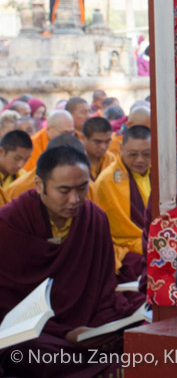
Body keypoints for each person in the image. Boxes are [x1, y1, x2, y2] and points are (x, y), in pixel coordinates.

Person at [0, 145, 144, 378]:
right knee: (26, 350)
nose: (75, 199)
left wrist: (97, 330)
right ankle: (107, 368)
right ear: (39, 185)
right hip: (40, 330)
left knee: (138, 320)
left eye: (82, 188)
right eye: (64, 190)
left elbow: (103, 288)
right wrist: (67, 332)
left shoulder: (95, 218)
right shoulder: (9, 224)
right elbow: (6, 305)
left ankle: (102, 361)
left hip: (87, 318)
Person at [91, 125, 152, 282]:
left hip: (153, 241)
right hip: (125, 247)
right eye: (133, 154)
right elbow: (109, 233)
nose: (140, 160)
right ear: (121, 148)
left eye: (146, 154)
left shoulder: (159, 172)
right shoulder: (108, 181)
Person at [0, 130, 32, 202]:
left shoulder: (24, 177)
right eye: (16, 158)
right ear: (1, 152)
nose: (20, 165)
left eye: (26, 160)